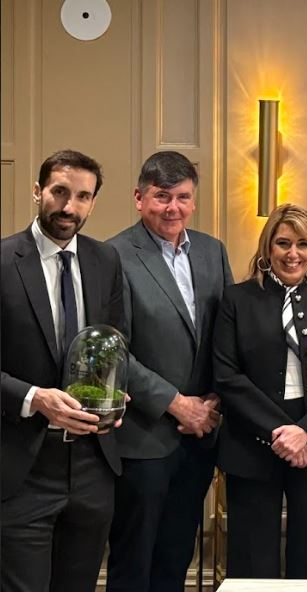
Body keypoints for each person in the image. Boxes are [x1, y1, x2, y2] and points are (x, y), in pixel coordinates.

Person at [105, 151, 233, 592]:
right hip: (144, 438)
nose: (172, 208)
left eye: (182, 197)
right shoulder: (112, 256)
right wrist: (177, 405)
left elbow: (228, 335)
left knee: (176, 560)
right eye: (162, 197)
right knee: (133, 564)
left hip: (200, 437)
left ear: (193, 201)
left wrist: (215, 399)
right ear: (139, 198)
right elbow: (113, 350)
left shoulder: (213, 251)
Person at [1, 150, 126, 592]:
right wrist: (36, 398)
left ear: (93, 202)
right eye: (59, 192)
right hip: (23, 468)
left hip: (94, 466)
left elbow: (113, 344)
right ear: (37, 191)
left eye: (82, 196)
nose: (69, 207)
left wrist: (117, 395)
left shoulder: (105, 261)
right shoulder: (2, 262)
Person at [212, 203, 307, 578]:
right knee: (252, 556)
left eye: (303, 244)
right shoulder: (237, 299)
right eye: (283, 243)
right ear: (267, 249)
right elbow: (227, 375)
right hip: (253, 440)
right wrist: (282, 433)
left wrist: (306, 431)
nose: (293, 254)